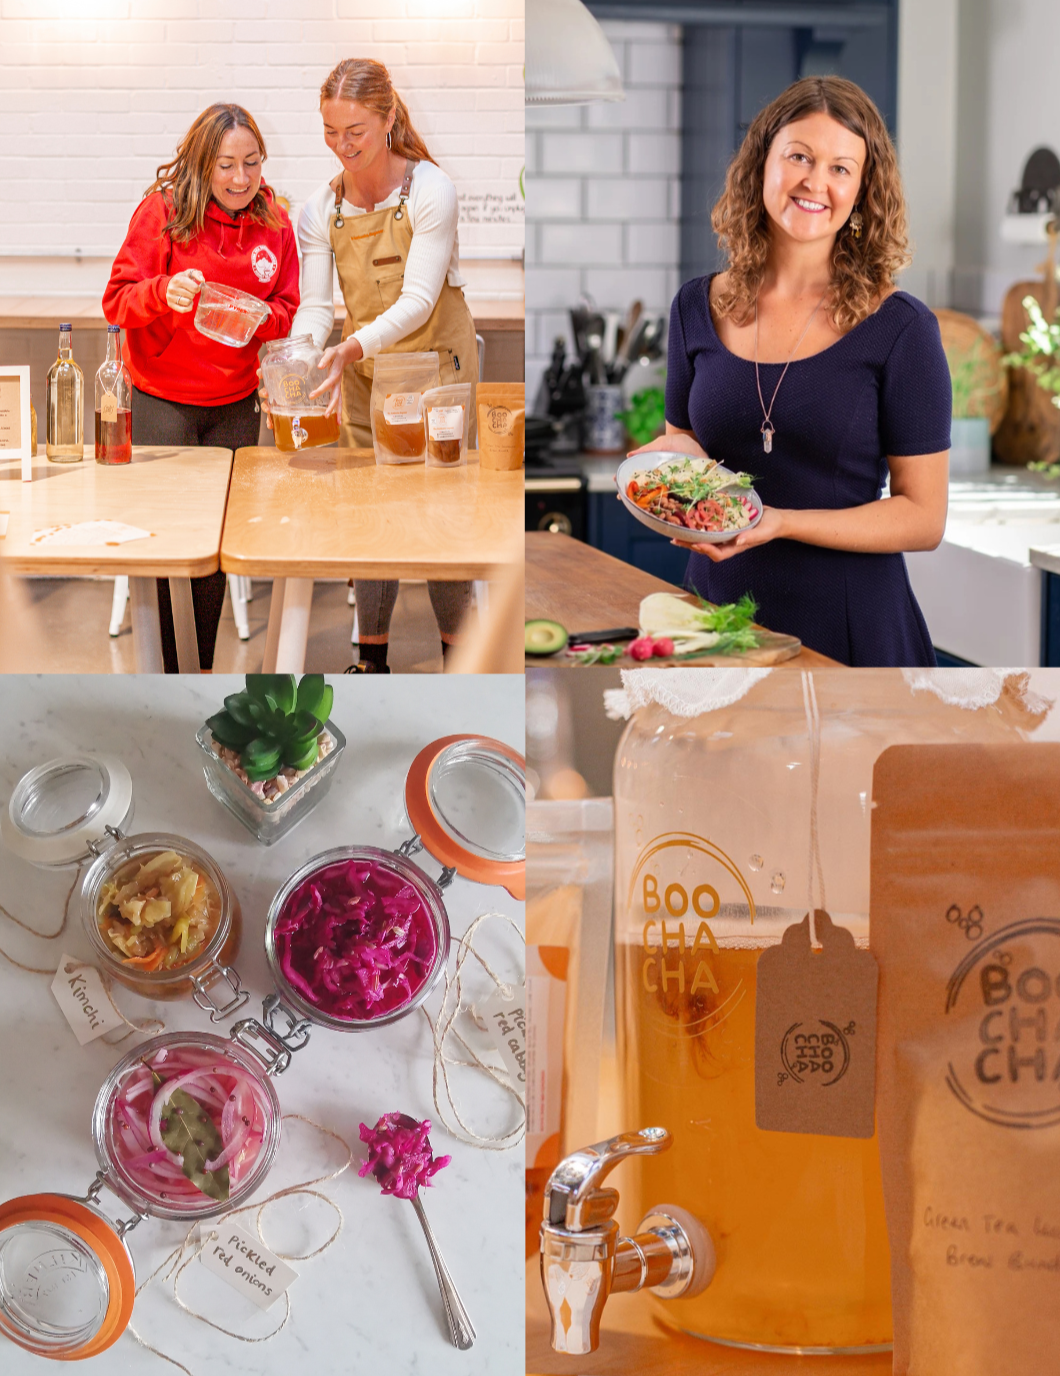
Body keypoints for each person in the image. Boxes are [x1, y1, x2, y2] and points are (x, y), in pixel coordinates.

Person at [634, 76, 950, 667]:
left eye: (840, 168)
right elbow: (684, 437)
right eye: (799, 156)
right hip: (714, 621)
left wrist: (777, 522)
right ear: (762, 165)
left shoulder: (903, 329)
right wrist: (668, 477)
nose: (815, 182)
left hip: (847, 633)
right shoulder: (693, 307)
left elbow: (923, 517)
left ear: (862, 191)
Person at [290, 58, 479, 673]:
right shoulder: (322, 208)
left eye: (355, 132)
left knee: (441, 511)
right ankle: (371, 660)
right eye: (329, 131)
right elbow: (317, 307)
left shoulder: (430, 189)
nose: (341, 147)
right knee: (368, 514)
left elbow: (419, 300)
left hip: (438, 369)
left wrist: (348, 347)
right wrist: (302, 358)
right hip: (370, 374)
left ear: (388, 117)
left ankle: (460, 659)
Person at [104, 104, 299, 672]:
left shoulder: (275, 224)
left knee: (214, 553)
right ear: (201, 164)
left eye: (252, 163)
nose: (241, 179)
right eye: (226, 166)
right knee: (168, 543)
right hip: (163, 401)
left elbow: (286, 310)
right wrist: (165, 291)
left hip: (235, 406)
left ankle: (201, 669)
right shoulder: (162, 213)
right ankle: (165, 671)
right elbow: (116, 301)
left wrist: (260, 317)